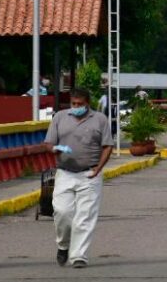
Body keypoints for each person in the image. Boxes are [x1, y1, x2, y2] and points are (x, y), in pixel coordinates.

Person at [43, 88, 114, 268]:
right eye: (73, 104)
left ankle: (79, 255)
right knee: (62, 212)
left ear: (87, 103)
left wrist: (99, 168)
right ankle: (63, 245)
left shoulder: (100, 120)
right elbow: (48, 142)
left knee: (85, 216)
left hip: (89, 173)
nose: (76, 107)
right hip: (65, 172)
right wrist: (54, 149)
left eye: (80, 104)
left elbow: (107, 146)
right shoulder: (60, 117)